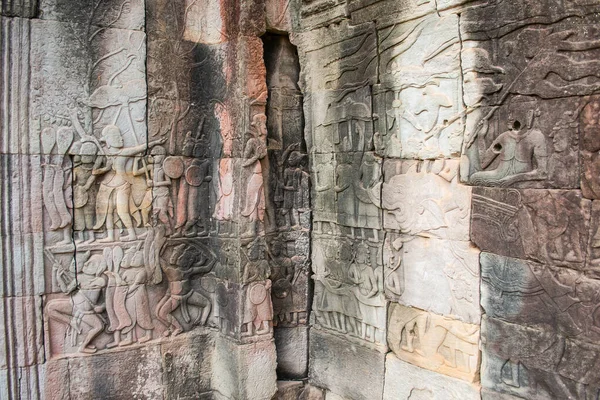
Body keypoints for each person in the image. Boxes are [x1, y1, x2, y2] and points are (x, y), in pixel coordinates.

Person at [93, 124, 166, 242]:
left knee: (122, 211)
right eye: (116, 136)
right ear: (108, 141)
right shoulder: (104, 154)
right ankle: (110, 236)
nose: (121, 138)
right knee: (107, 211)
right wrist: (106, 168)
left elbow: (141, 148)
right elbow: (94, 172)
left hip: (122, 185)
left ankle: (132, 234)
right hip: (107, 185)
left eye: (120, 136)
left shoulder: (124, 152)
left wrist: (154, 142)